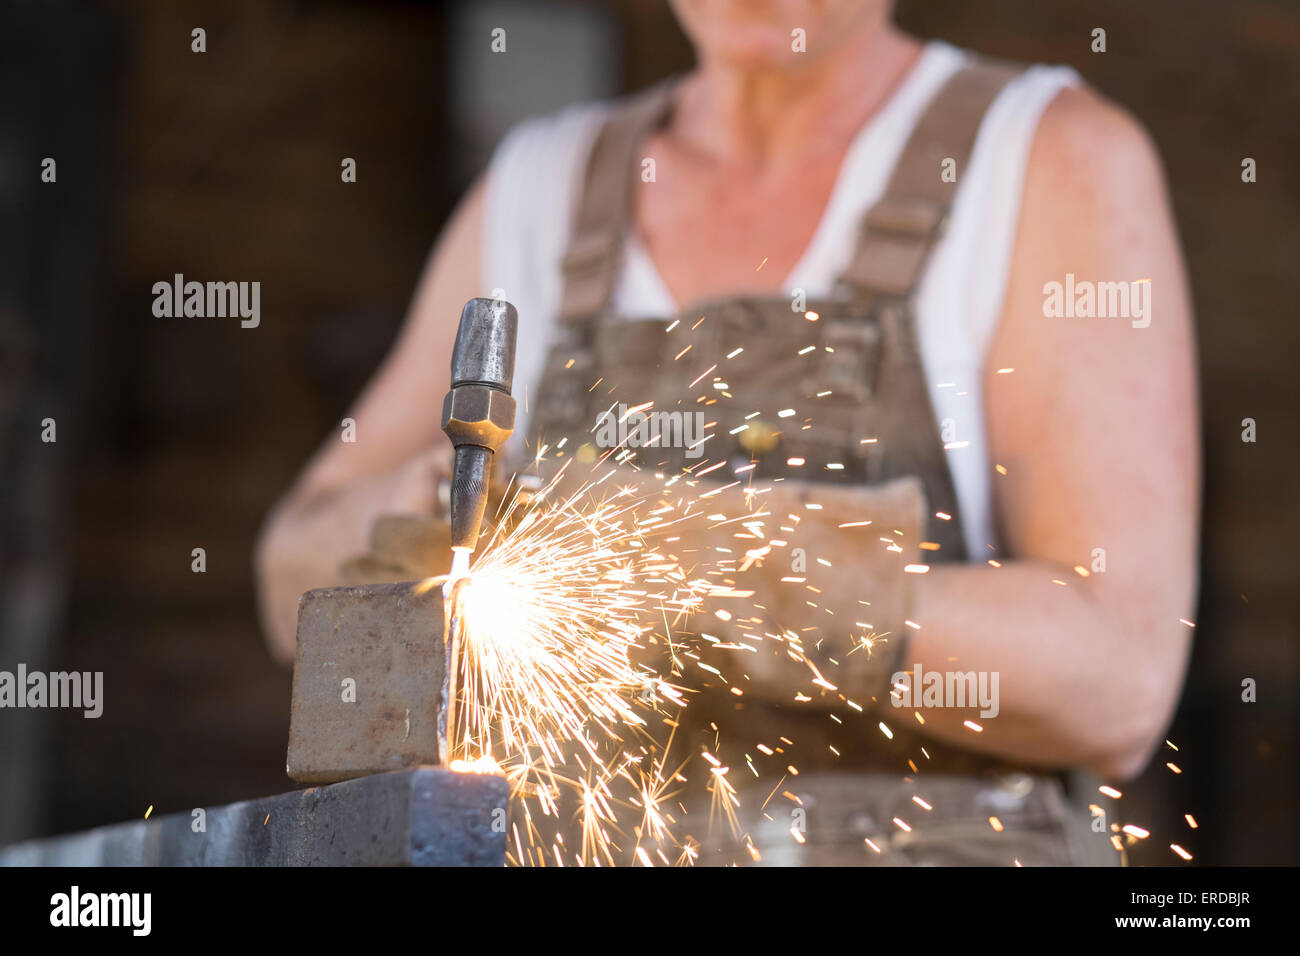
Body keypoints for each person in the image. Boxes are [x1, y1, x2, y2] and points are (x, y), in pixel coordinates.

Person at [256, 0, 1199, 864]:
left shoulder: (1044, 157)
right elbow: (291, 569)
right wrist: (434, 510)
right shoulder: (539, 191)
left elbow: (1116, 679)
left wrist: (682, 560)